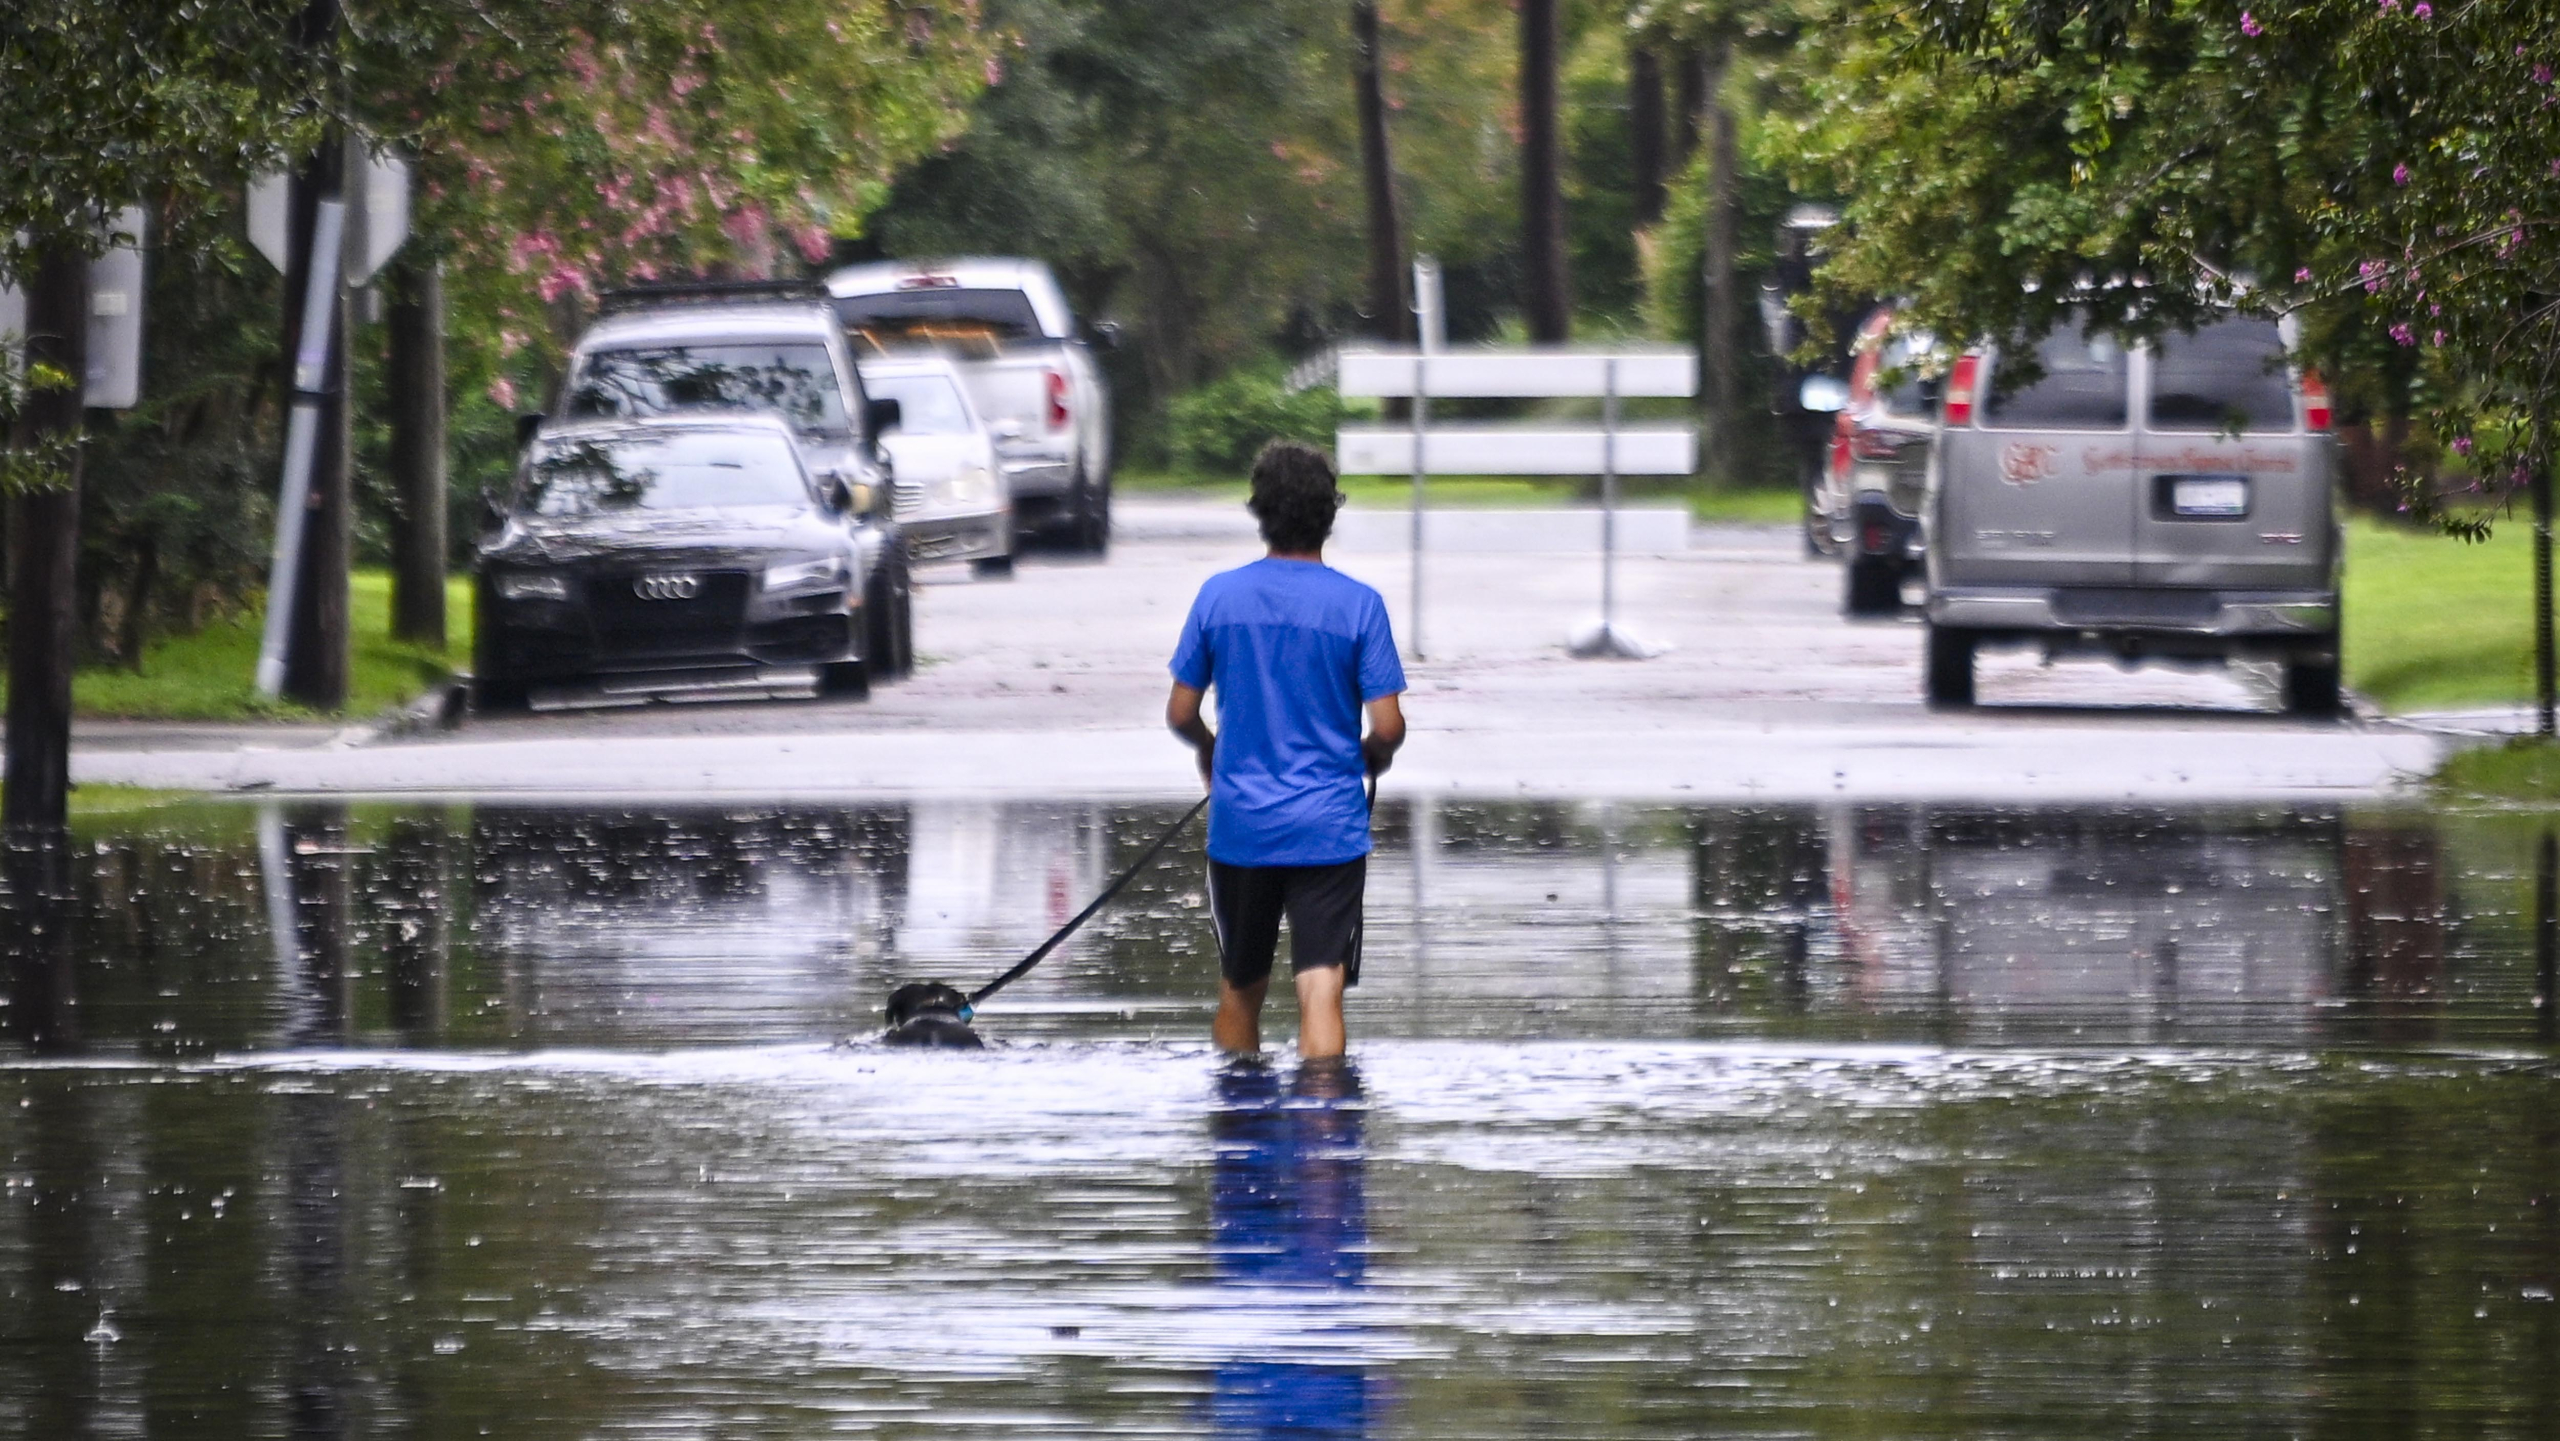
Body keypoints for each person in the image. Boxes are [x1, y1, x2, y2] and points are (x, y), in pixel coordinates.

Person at [1167, 442, 1406, 1059]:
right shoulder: (1359, 606)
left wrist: (1209, 751)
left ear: (1260, 512)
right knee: (1320, 989)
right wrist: (1370, 757)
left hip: (1242, 825)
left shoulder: (1219, 597)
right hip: (1329, 827)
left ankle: (1239, 1124)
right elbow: (1388, 726)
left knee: (1240, 989)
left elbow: (1181, 712)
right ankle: (1325, 1136)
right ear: (1329, 514)